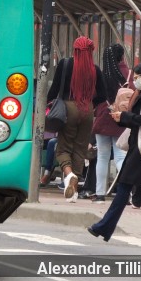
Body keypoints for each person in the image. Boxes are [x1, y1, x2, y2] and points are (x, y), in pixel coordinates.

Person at [88, 62, 141, 241]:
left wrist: (124, 116)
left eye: (138, 78)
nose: (135, 81)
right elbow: (137, 120)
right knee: (124, 186)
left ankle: (104, 227)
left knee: (124, 186)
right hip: (138, 148)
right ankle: (104, 227)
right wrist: (121, 118)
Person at [47, 36, 106, 202]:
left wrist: (45, 105)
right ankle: (73, 191)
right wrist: (90, 105)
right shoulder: (95, 69)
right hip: (87, 110)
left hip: (68, 108)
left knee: (63, 148)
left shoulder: (65, 64)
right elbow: (102, 94)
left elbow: (54, 90)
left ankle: (69, 174)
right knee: (80, 149)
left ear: (75, 49)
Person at [91, 44, 132, 203]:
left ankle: (100, 194)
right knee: (121, 156)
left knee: (102, 156)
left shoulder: (102, 74)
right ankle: (126, 194)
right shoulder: (129, 75)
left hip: (103, 116)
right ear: (122, 56)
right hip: (121, 118)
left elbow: (95, 96)